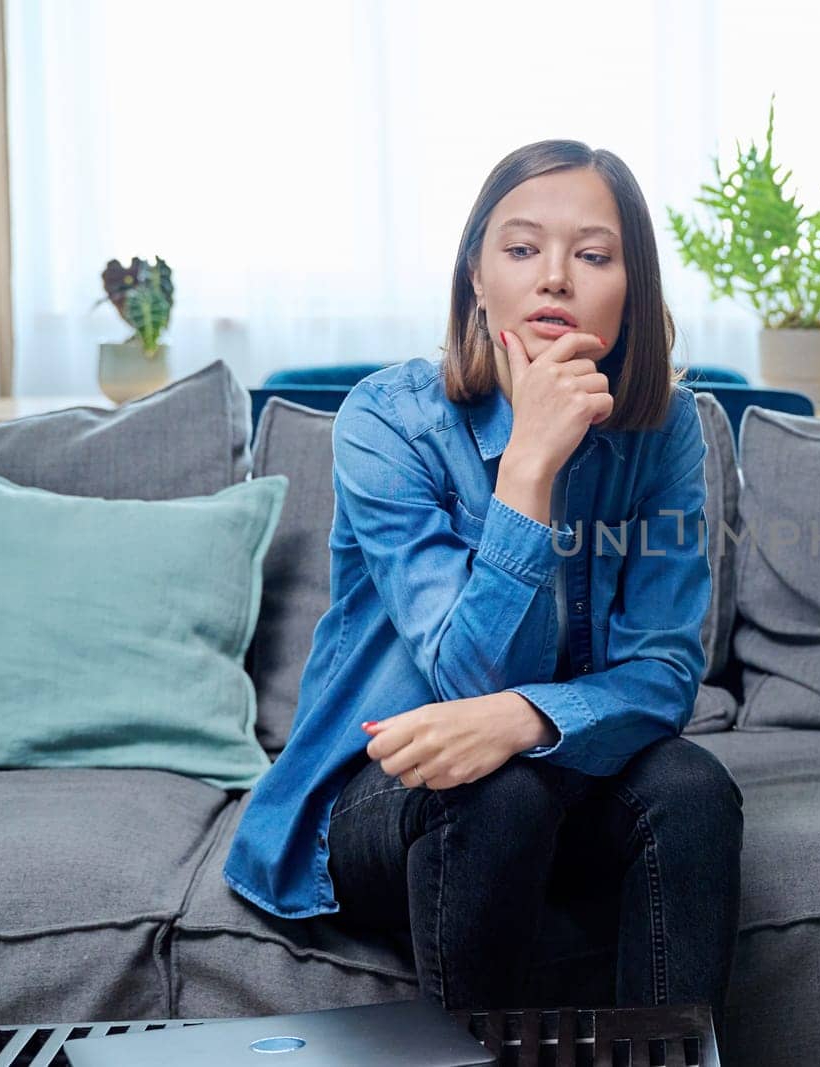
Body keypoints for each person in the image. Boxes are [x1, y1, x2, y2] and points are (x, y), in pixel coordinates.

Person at [222, 141, 744, 1018]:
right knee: (498, 792)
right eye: (521, 248)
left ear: (633, 288)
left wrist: (530, 717)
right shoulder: (389, 422)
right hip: (390, 793)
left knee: (692, 790)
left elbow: (664, 671)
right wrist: (529, 470)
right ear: (476, 275)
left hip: (565, 774)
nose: (554, 279)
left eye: (592, 255)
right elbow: (464, 680)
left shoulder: (667, 432)